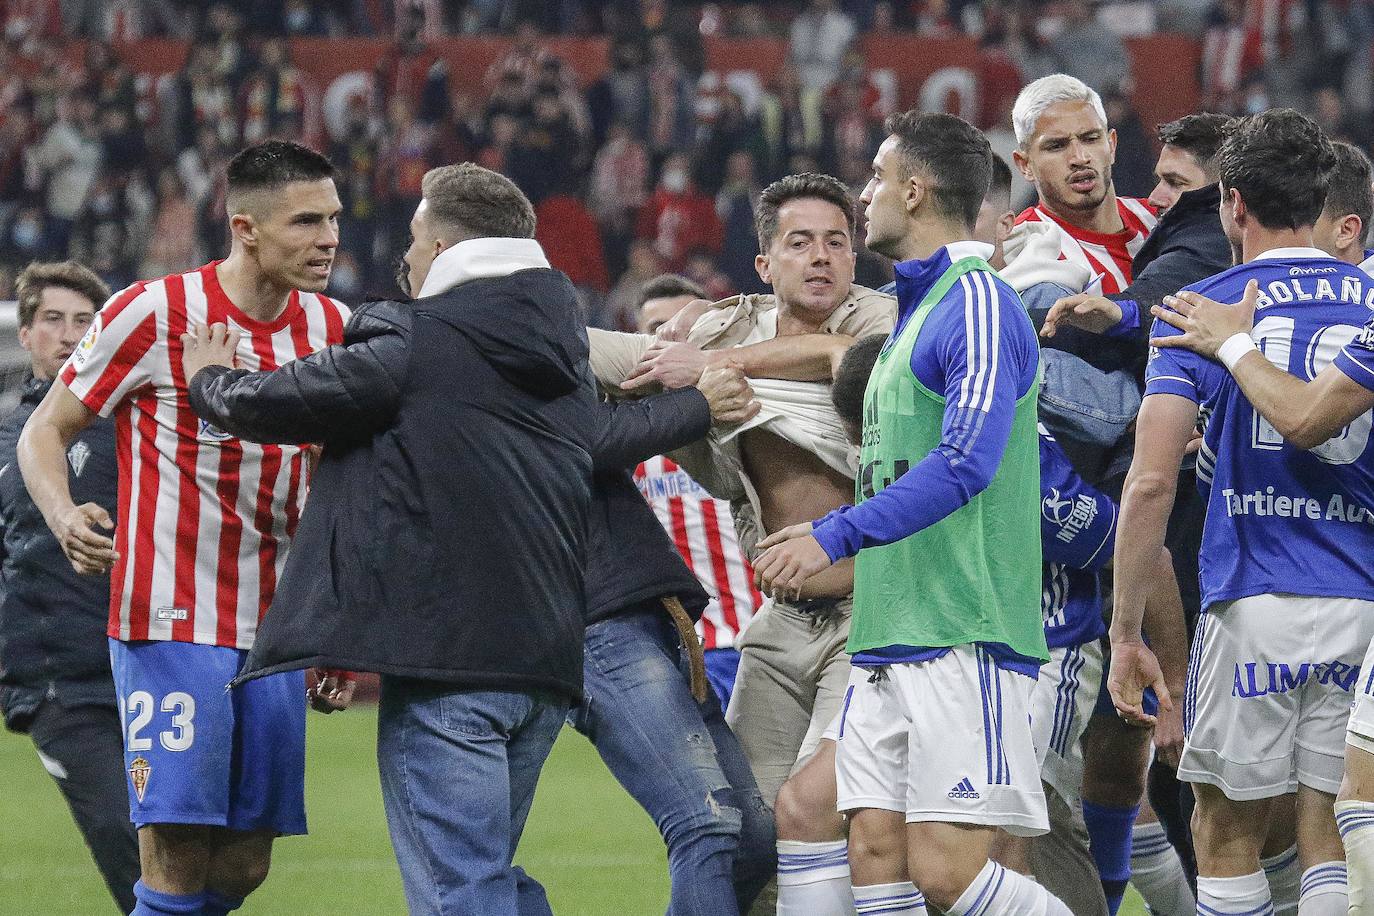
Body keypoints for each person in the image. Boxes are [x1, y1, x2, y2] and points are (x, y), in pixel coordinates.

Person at [179, 161, 769, 915]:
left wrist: (208, 381)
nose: (409, 260)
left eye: (419, 243)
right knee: (487, 878)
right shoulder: (554, 345)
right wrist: (695, 404)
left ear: (449, 246)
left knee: (466, 890)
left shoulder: (413, 340)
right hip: (542, 662)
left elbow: (281, 404)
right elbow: (592, 434)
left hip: (461, 656)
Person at [17, 140, 352, 916]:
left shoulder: (335, 329)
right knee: (176, 850)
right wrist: (65, 513)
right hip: (170, 613)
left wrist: (332, 622)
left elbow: (338, 488)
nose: (329, 237)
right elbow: (45, 431)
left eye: (332, 218)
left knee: (243, 864)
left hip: (273, 627)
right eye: (306, 222)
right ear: (247, 229)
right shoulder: (154, 311)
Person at [755, 111, 1069, 915]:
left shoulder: (981, 305)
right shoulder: (913, 316)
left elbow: (966, 462)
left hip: (965, 634)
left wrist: (833, 533)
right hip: (889, 636)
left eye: (876, 180)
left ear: (916, 190)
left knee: (948, 876)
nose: (865, 195)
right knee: (872, 851)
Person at [1109, 108, 1359, 916]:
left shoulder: (1197, 309)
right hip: (1363, 601)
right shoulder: (1367, 298)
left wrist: (1124, 634)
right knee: (1329, 830)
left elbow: (1149, 486)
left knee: (1225, 833)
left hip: (1254, 601)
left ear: (1234, 204)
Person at [0, 261, 139, 914]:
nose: (68, 334)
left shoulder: (136, 428)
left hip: (146, 665)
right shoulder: (8, 437)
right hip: (57, 679)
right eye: (52, 320)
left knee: (202, 848)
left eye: (85, 322)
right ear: (23, 333)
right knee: (128, 838)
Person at [631, 273, 762, 710]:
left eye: (682, 330)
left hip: (762, 636)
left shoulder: (753, 417)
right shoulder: (631, 439)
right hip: (686, 648)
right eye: (654, 331)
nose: (668, 341)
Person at [1010, 74, 1158, 298]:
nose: (1079, 158)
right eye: (1056, 146)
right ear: (1025, 165)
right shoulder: (1024, 252)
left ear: (1112, 145)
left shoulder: (1159, 220)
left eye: (1090, 139)